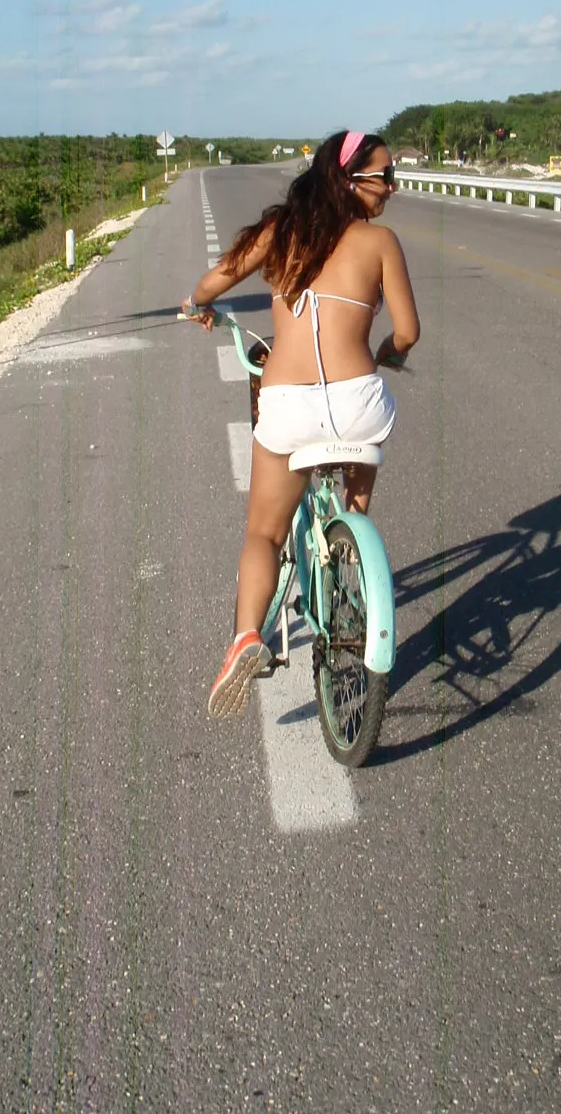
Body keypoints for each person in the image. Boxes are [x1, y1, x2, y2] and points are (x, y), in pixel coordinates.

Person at [182, 129, 420, 718]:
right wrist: (387, 350)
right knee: (358, 469)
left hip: (289, 404)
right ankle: (352, 544)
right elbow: (409, 333)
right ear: (349, 180)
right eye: (383, 177)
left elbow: (213, 282)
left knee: (263, 533)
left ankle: (246, 637)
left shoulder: (280, 231)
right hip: (359, 402)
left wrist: (200, 305)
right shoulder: (381, 242)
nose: (392, 187)